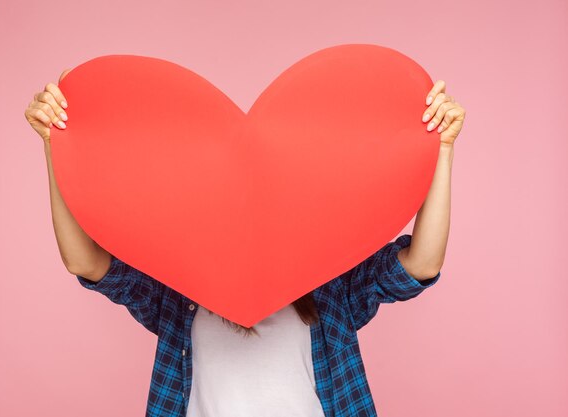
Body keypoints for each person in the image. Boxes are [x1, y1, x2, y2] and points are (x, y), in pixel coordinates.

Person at [24, 69, 465, 417]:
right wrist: (54, 146)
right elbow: (86, 263)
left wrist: (442, 149)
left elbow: (420, 265)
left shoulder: (334, 285)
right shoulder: (178, 289)